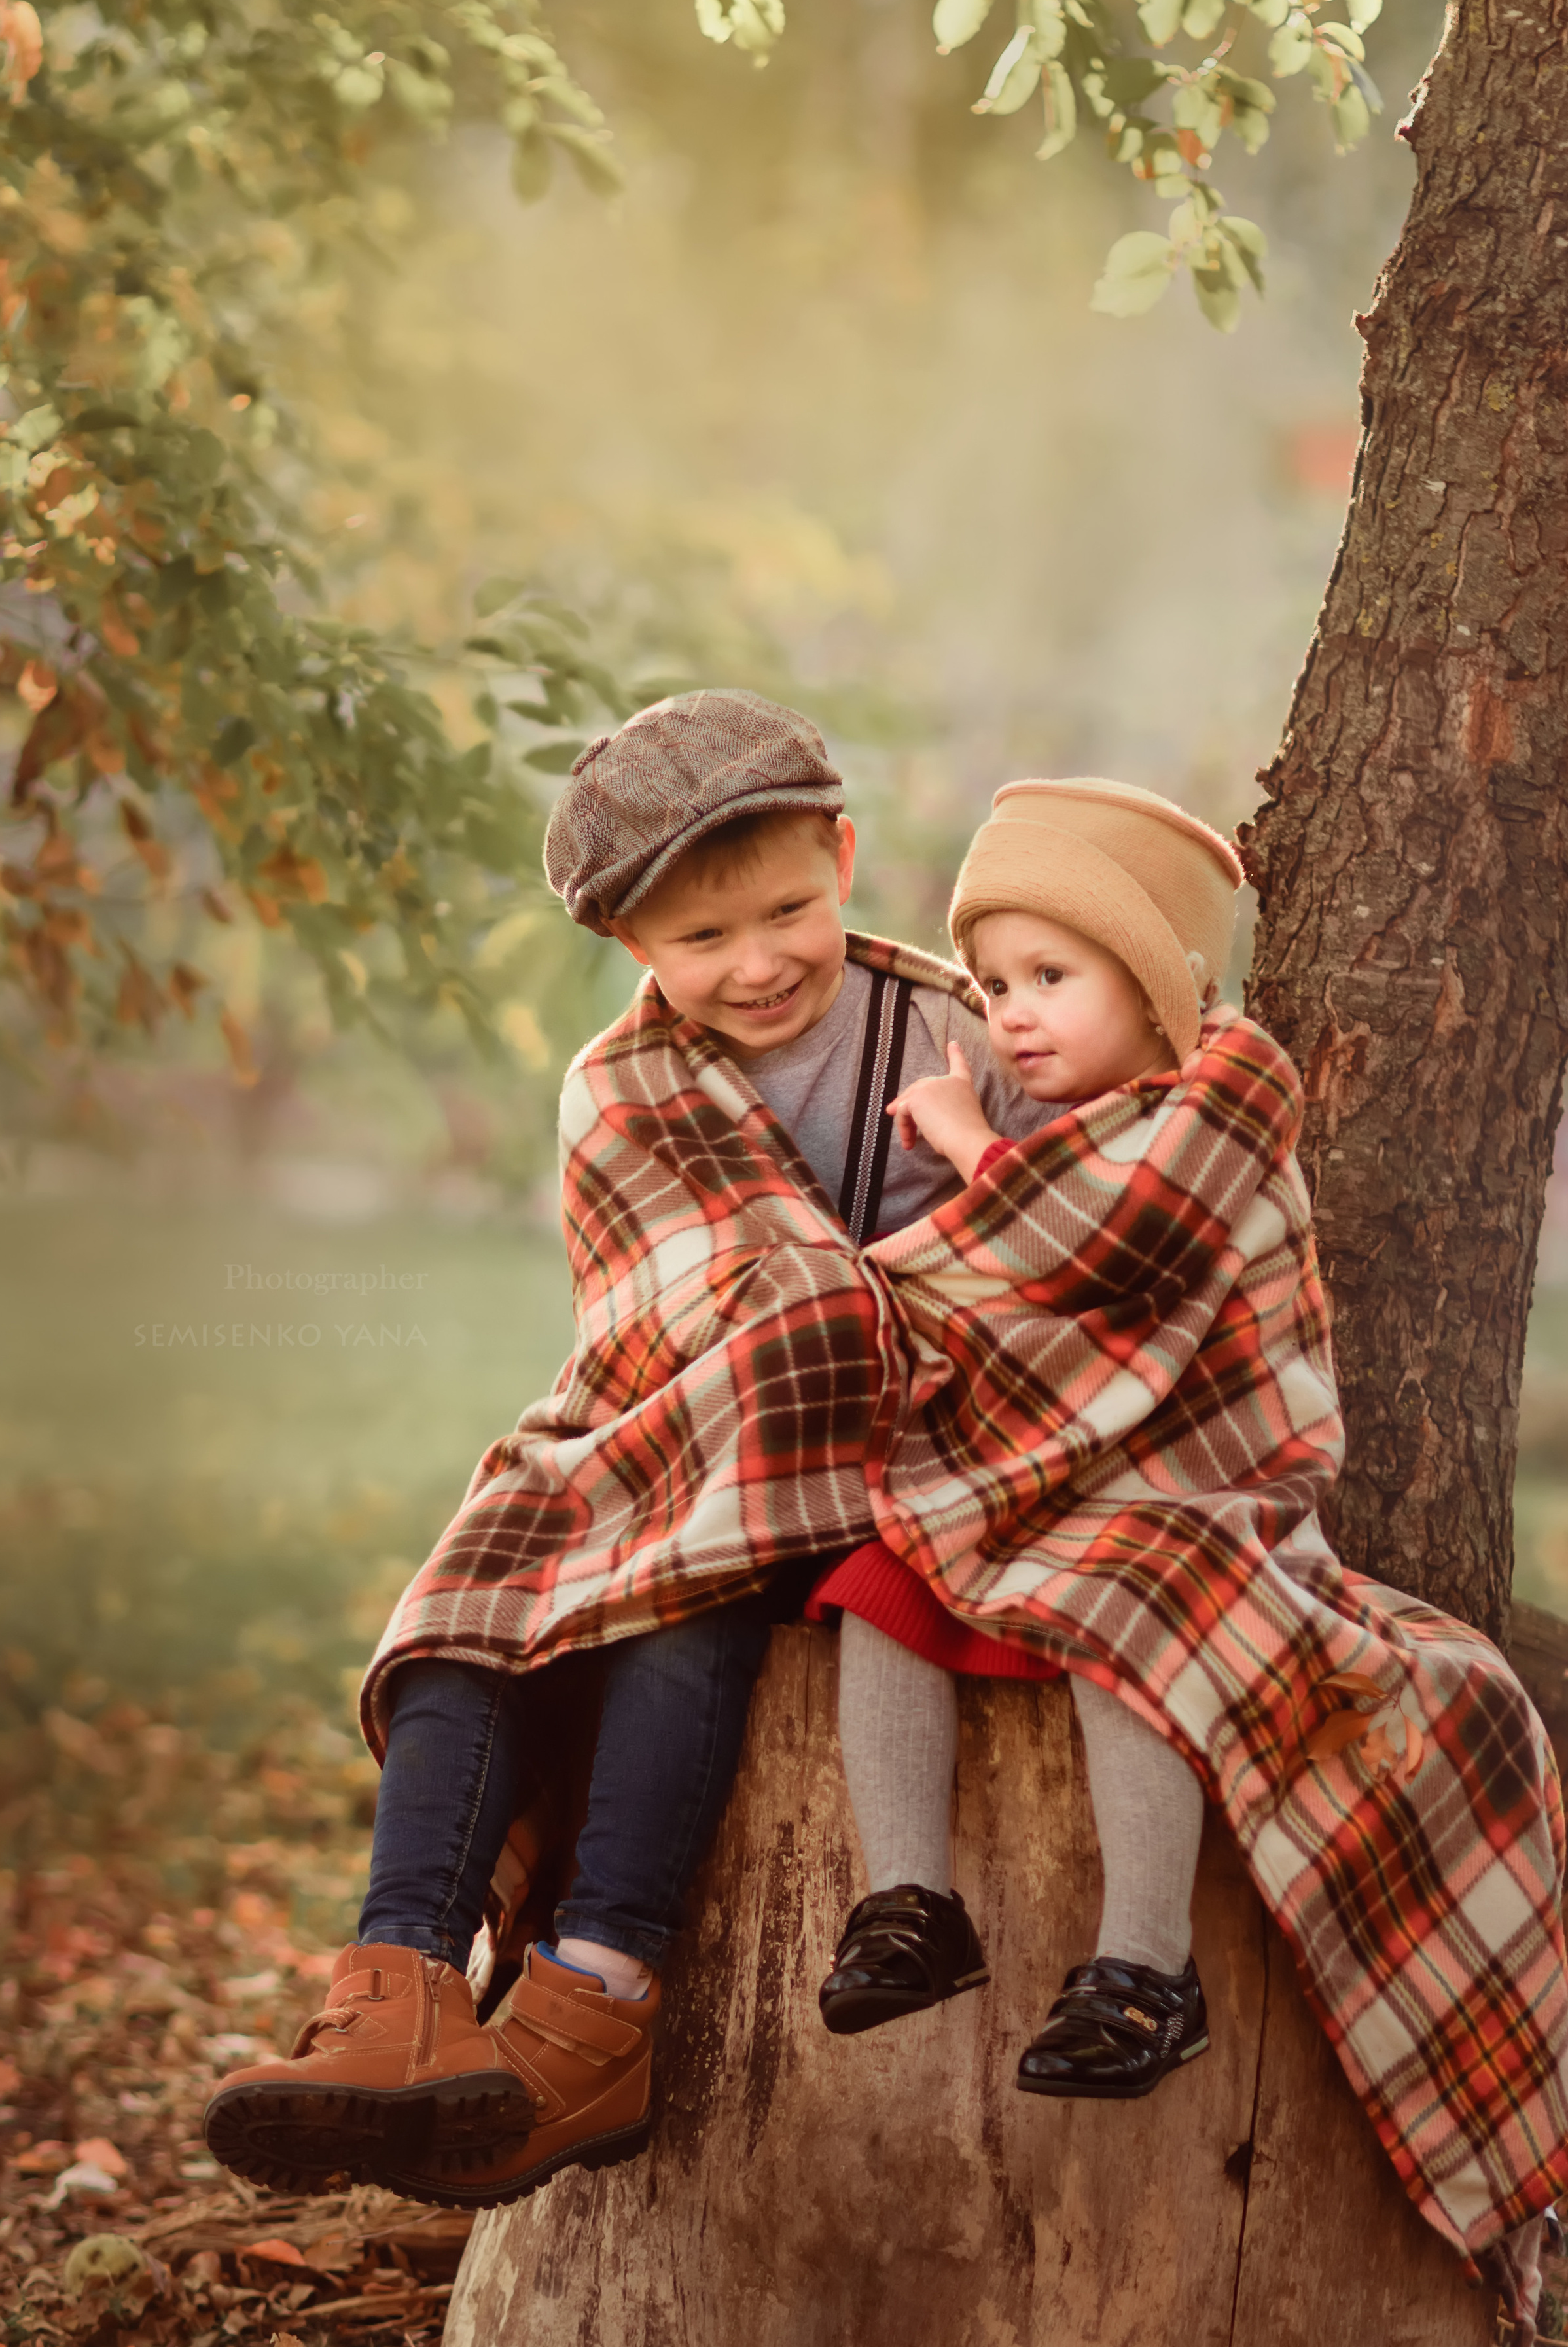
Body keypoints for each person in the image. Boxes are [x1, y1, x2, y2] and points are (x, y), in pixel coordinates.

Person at [202, 689, 1034, 2210]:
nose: (758, 961)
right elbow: (653, 1316)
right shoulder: (619, 1081)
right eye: (700, 942)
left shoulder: (958, 1034)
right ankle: (397, 1990)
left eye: (786, 909)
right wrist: (789, 1336)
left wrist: (861, 1314)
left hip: (902, 1471)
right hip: (682, 1444)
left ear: (844, 857)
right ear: (633, 953)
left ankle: (596, 2003)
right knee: (480, 1597)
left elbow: (1037, 1245)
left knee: (672, 1600)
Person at [810, 779, 1241, 2102]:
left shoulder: (1215, 1100)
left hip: (1188, 1497)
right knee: (882, 1587)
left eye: (1049, 974)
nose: (1009, 1012)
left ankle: (1145, 1967)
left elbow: (1100, 1261)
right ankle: (909, 1905)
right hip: (1045, 1479)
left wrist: (969, 1148)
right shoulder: (1053, 1121)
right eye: (993, 982)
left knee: (1124, 1636)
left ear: (1159, 984)